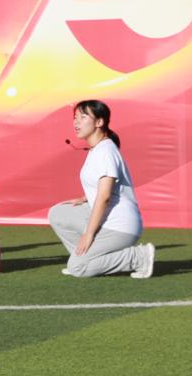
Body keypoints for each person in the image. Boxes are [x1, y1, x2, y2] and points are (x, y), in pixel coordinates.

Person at [49, 100, 155, 278]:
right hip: (106, 219)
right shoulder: (97, 149)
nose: (76, 122)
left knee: (78, 268)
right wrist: (85, 198)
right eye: (75, 118)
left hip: (120, 226)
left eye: (83, 117)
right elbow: (101, 186)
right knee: (58, 213)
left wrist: (89, 234)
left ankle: (138, 257)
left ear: (99, 122)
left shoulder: (106, 151)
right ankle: (83, 257)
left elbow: (104, 196)